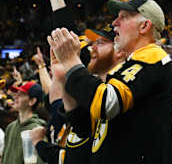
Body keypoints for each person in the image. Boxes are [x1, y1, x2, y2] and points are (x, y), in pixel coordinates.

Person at [47, 0, 172, 164]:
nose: (114, 22)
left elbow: (106, 104)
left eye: (124, 16)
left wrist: (72, 61)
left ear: (144, 26)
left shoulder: (153, 56)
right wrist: (64, 78)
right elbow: (85, 127)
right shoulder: (127, 66)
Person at [31, 24, 127, 164]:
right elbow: (80, 127)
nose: (91, 48)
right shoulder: (91, 100)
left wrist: (39, 144)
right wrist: (63, 77)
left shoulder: (125, 94)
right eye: (92, 43)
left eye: (100, 43)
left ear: (120, 51)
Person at [2, 82, 46, 164]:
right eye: (16, 94)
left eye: (21, 95)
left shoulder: (37, 130)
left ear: (32, 101)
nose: (15, 97)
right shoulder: (10, 127)